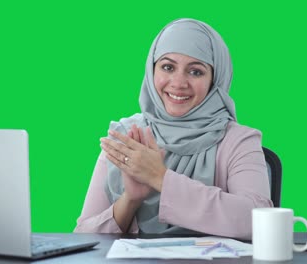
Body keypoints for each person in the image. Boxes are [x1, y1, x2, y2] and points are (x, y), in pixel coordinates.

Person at [74, 18, 273, 240]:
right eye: (168, 67)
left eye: (196, 71)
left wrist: (160, 178)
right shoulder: (126, 136)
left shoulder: (239, 140)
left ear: (214, 79)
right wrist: (130, 199)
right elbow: (83, 236)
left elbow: (258, 221)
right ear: (152, 71)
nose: (178, 83)